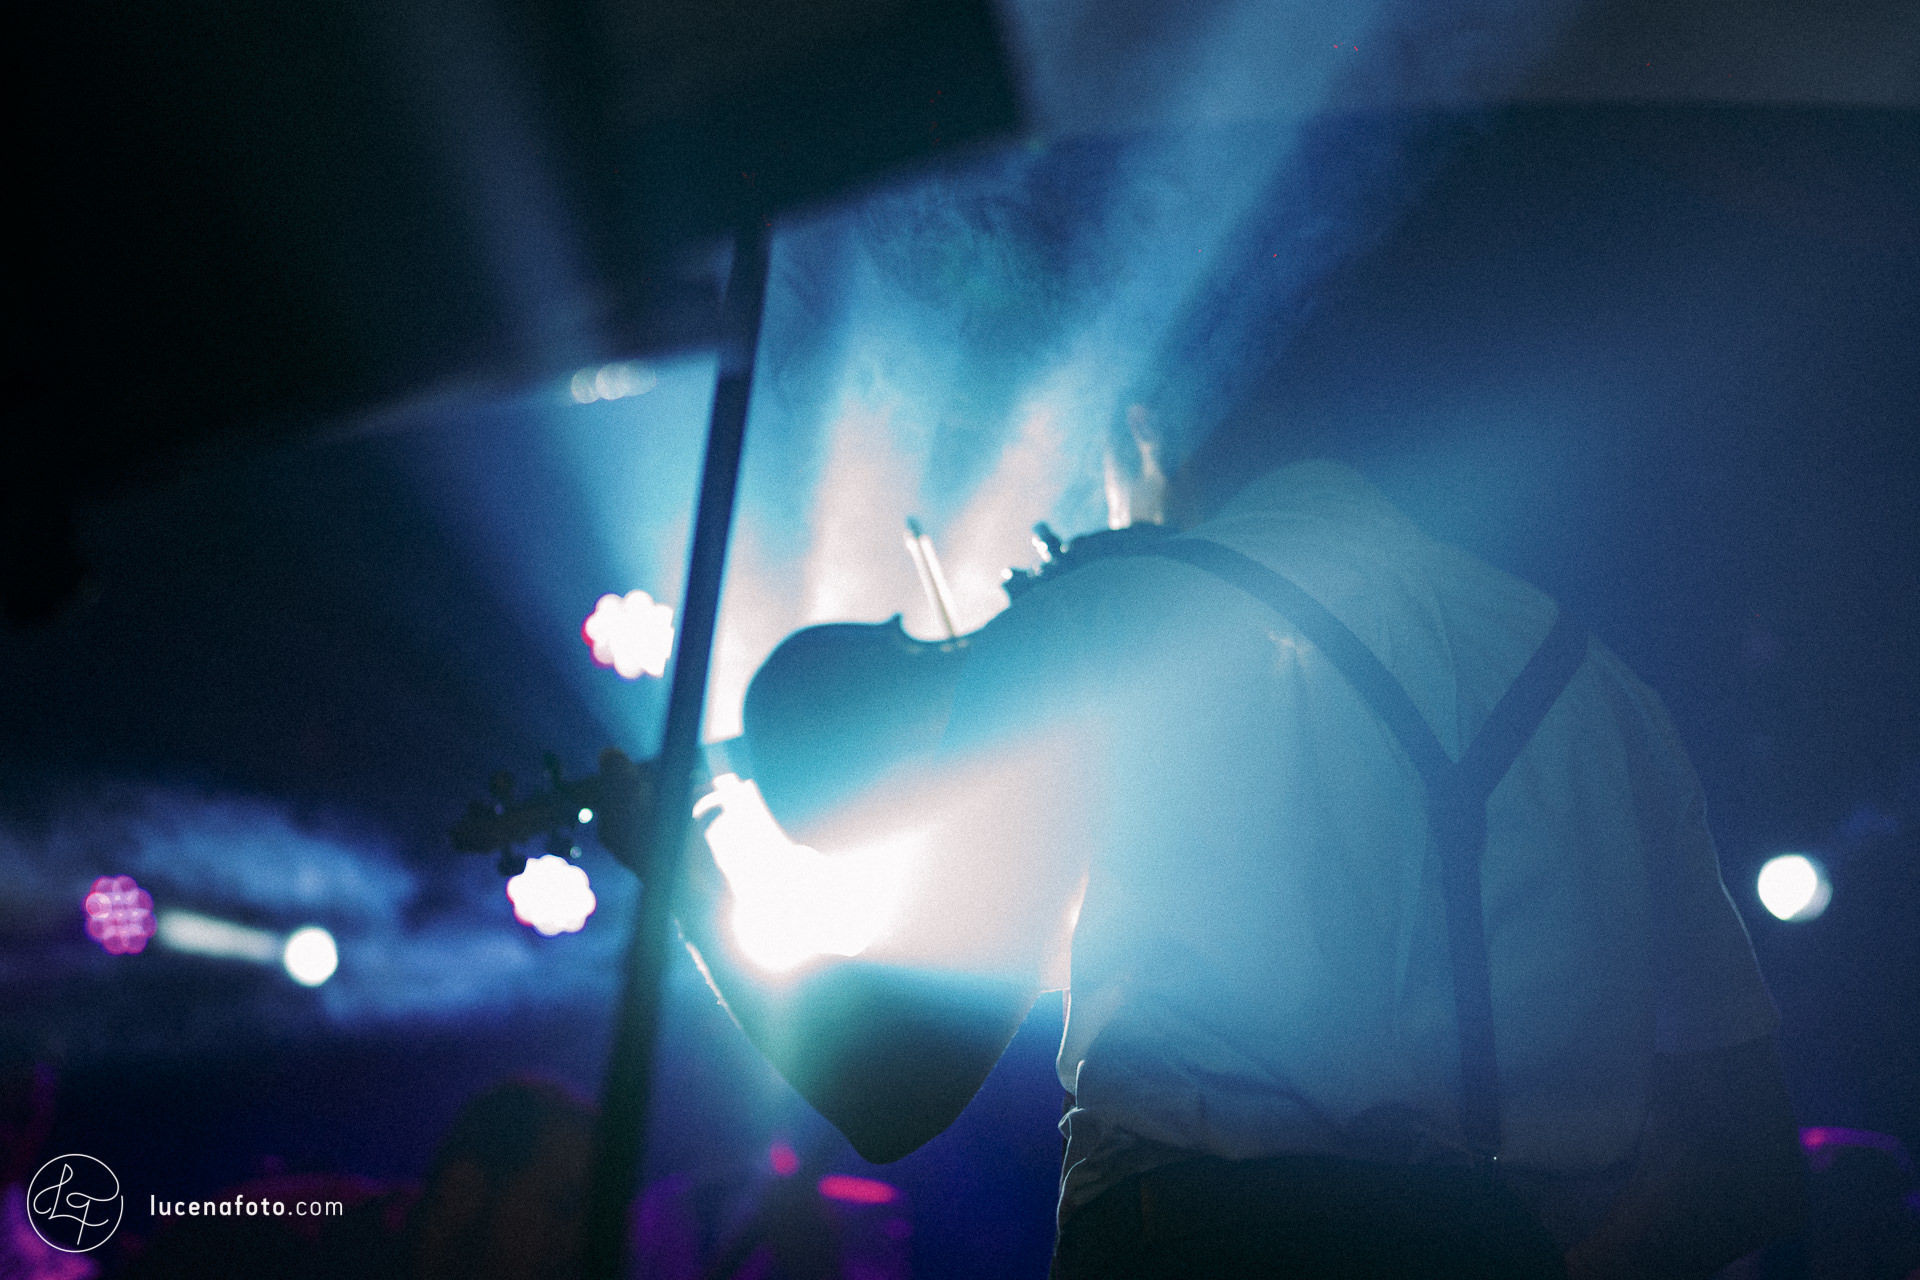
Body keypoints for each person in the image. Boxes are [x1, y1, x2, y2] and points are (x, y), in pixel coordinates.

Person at [672, 430, 1807, 1278]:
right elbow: (1749, 1165)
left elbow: (897, 1083)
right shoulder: (1608, 689)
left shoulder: (1108, 612)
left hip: (1190, 1243)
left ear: (1167, 454)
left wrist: (675, 868)